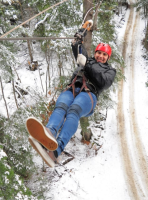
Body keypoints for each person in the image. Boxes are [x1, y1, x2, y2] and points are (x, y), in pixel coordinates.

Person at [26, 21, 116, 167]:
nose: (100, 56)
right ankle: (48, 134)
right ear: (95, 53)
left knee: (74, 110)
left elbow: (103, 81)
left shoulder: (109, 71)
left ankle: (57, 150)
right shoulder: (88, 59)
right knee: (61, 106)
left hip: (89, 94)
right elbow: (76, 46)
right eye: (99, 52)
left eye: (104, 54)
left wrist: (86, 64)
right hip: (73, 88)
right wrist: (81, 32)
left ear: (108, 58)